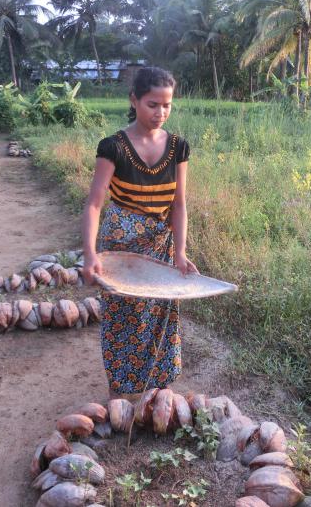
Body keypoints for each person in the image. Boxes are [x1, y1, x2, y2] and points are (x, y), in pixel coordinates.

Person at [82, 66, 198, 402]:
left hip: (160, 246)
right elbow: (93, 204)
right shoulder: (113, 147)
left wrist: (179, 251)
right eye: (152, 104)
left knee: (160, 315)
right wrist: (90, 255)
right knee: (122, 318)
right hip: (119, 248)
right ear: (134, 100)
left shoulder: (178, 147)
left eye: (167, 105)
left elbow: (179, 205)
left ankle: (157, 395)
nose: (160, 112)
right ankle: (119, 392)